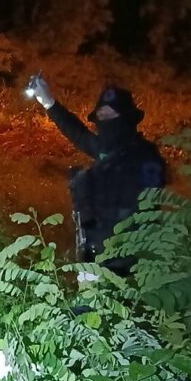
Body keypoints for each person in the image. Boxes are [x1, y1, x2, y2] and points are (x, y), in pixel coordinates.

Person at [27, 76, 166, 276]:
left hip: (132, 262)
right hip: (95, 256)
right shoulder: (106, 149)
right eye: (101, 115)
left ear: (126, 119)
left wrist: (90, 181)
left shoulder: (146, 155)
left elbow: (144, 206)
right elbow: (78, 133)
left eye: (110, 115)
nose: (104, 121)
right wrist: (48, 101)